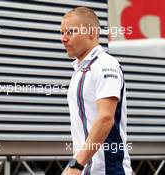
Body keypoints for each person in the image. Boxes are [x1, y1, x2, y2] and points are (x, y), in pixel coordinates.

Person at [61, 7, 132, 175]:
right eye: (62, 32)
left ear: (92, 33)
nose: (63, 39)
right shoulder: (79, 71)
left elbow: (106, 118)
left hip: (109, 171)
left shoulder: (106, 65)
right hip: (86, 169)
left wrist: (76, 165)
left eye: (70, 32)